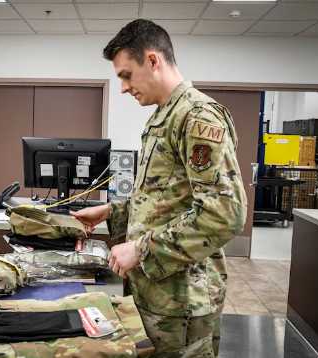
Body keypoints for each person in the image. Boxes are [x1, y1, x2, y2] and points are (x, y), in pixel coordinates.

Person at [72, 19, 247, 357]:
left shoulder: (197, 117)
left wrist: (141, 250)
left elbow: (225, 214)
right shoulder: (163, 116)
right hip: (157, 292)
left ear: (152, 60)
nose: (123, 87)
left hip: (183, 299)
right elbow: (164, 199)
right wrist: (112, 211)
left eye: (125, 75)